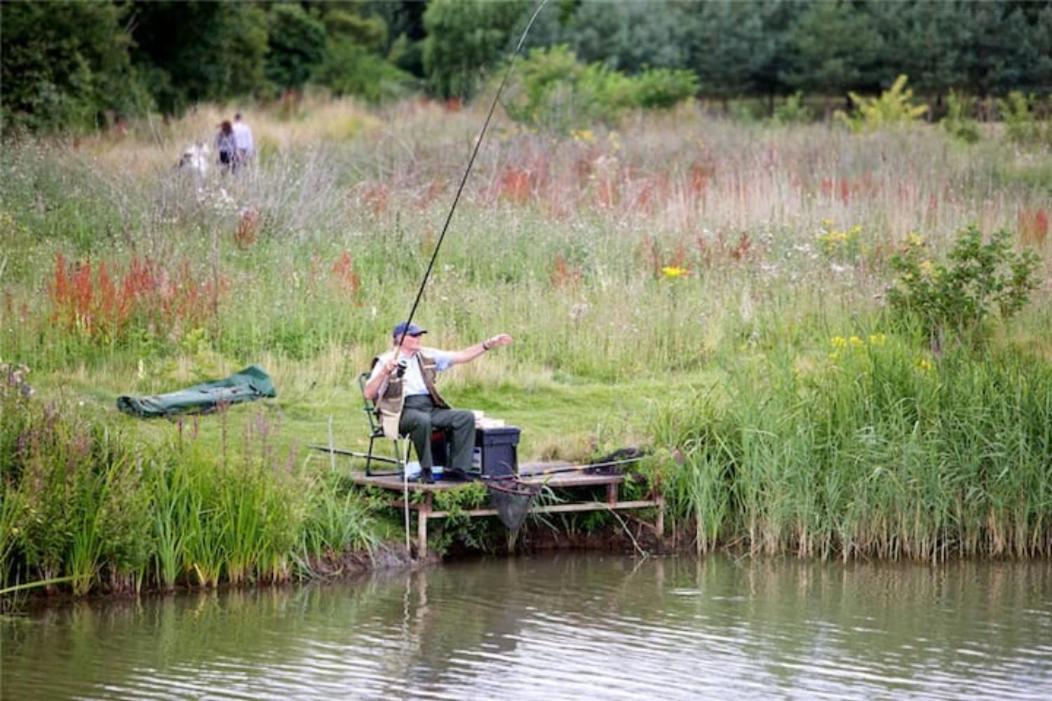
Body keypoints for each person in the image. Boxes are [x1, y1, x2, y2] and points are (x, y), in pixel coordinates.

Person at [364, 321, 513, 483]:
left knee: (465, 417)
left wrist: (488, 344)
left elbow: (462, 356)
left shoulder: (427, 355)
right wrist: (385, 372)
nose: (419, 338)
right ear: (400, 338)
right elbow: (368, 393)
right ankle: (426, 469)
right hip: (399, 412)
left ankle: (458, 469)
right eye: (414, 335)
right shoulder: (385, 360)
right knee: (422, 420)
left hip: (428, 406)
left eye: (420, 334)